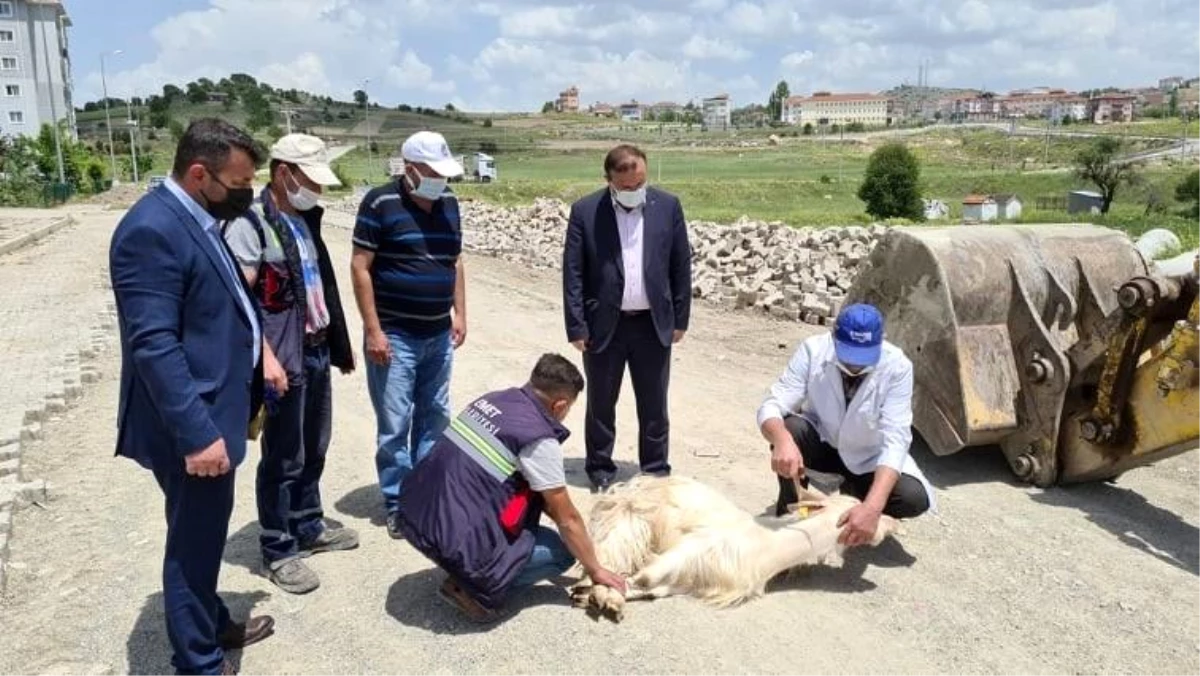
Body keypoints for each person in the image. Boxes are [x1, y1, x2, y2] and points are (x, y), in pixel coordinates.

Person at [109, 118, 274, 676]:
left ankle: (211, 623)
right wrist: (198, 434)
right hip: (193, 426)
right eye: (239, 182)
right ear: (199, 173)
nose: (246, 192)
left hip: (215, 411)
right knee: (193, 545)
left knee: (203, 535)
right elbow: (153, 345)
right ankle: (199, 663)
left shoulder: (194, 217)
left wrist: (261, 357)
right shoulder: (151, 230)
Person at [394, 353, 627, 623]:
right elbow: (567, 518)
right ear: (560, 405)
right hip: (449, 537)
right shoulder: (538, 438)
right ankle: (473, 587)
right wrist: (595, 569)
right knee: (562, 551)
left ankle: (464, 566)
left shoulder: (492, 400)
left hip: (415, 515)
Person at [223, 133, 358, 594]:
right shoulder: (251, 224)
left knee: (315, 444)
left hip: (315, 349)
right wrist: (267, 360)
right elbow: (239, 302)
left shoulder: (303, 219)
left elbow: (319, 289)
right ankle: (278, 545)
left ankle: (308, 523)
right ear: (284, 173)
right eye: (310, 181)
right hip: (283, 357)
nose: (317, 191)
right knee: (283, 455)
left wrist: (337, 344)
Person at [350, 130, 468, 538]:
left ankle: (427, 492)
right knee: (395, 422)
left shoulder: (449, 203)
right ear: (411, 169)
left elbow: (454, 261)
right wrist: (373, 331)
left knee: (435, 416)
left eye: (444, 173)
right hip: (395, 335)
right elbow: (360, 267)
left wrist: (460, 313)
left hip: (438, 333)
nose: (441, 181)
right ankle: (399, 500)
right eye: (433, 172)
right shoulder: (380, 202)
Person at [562, 143, 693, 492]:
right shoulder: (586, 212)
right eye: (628, 187)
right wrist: (576, 325)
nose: (636, 192)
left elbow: (680, 265)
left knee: (654, 403)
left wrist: (680, 318)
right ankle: (601, 468)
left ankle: (655, 471)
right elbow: (573, 273)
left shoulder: (668, 207)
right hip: (605, 326)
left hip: (653, 324)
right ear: (609, 181)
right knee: (602, 403)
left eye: (641, 184)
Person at [756, 303, 935, 547]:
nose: (855, 365)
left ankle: (856, 503)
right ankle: (789, 514)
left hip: (867, 456)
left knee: (913, 498)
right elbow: (773, 405)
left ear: (881, 341)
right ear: (833, 337)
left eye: (863, 357)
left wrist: (872, 508)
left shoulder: (898, 367)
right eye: (848, 354)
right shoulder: (813, 350)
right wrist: (781, 441)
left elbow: (896, 440)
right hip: (824, 443)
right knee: (791, 429)